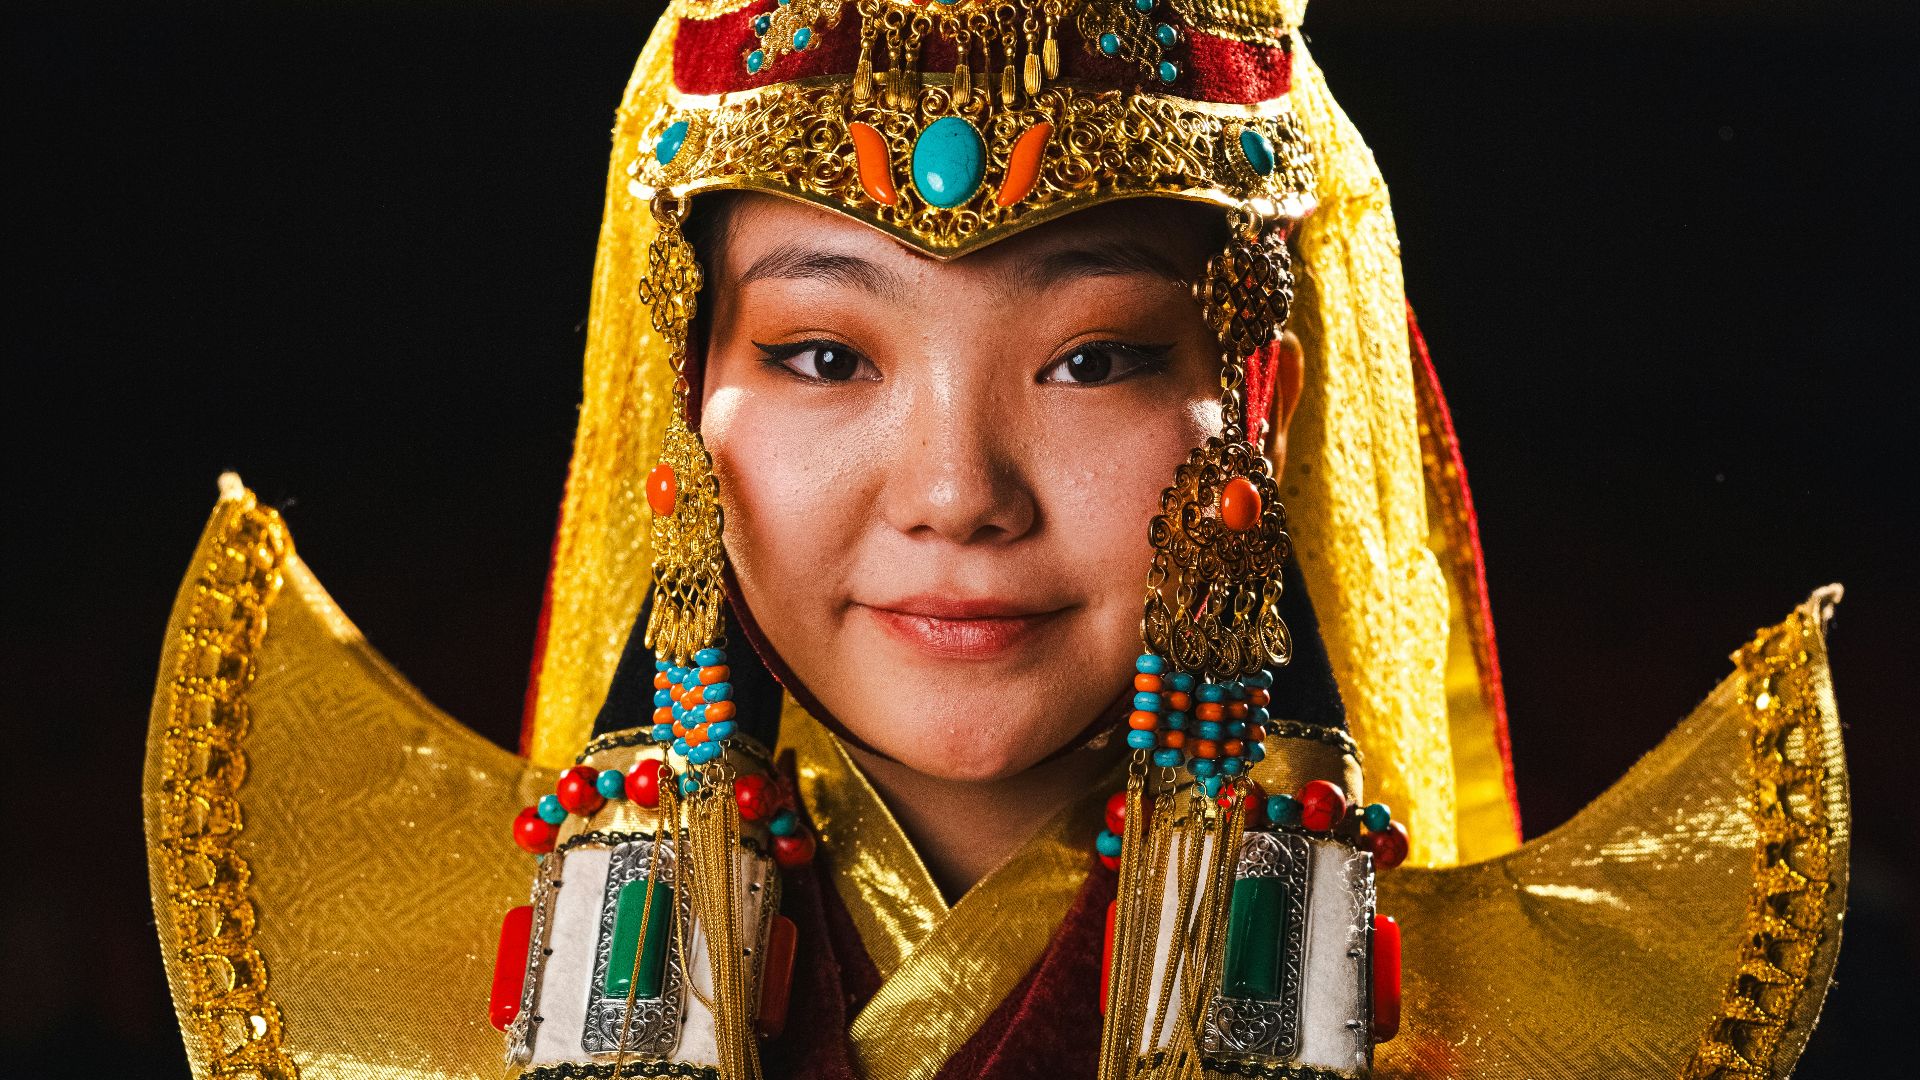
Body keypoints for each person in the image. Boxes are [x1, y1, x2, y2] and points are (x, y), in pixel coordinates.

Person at [142, 1, 1850, 1077]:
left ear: (1257, 405)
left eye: (1093, 359)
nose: (957, 491)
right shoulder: (391, 1024)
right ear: (683, 406)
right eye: (826, 356)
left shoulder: (1524, 1036)